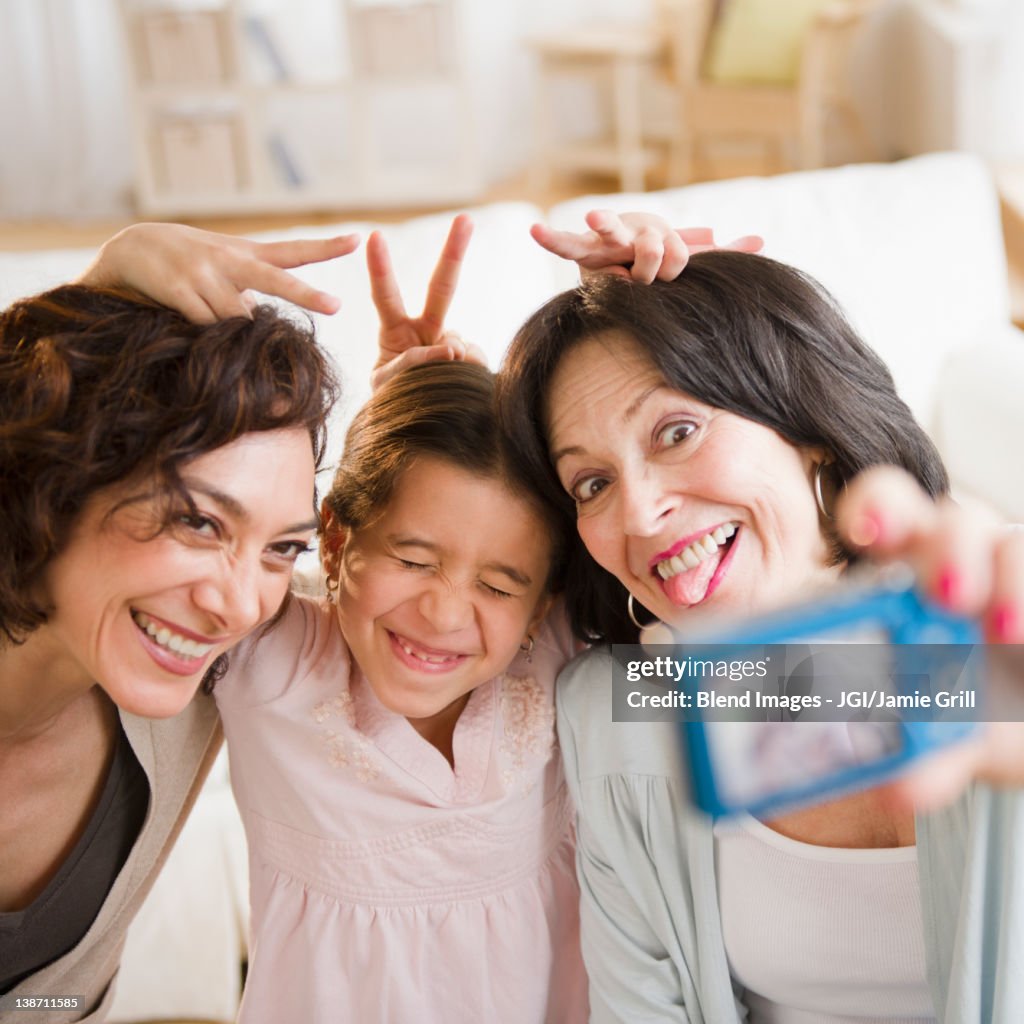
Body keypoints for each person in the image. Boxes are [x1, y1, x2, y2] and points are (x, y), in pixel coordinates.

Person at [495, 247, 1024, 1022]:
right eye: (593, 484)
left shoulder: (987, 626)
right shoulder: (617, 708)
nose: (638, 515)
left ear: (804, 422)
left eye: (677, 431)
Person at [0, 280, 340, 1014]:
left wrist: (430, 447)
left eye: (281, 548)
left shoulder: (224, 669)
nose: (239, 604)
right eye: (199, 523)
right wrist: (96, 283)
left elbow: (491, 624)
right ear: (57, 480)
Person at [211, 361, 587, 1019]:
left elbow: (795, 688)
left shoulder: (565, 665)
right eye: (412, 562)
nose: (443, 615)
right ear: (332, 541)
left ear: (542, 602)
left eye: (498, 587)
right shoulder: (269, 662)